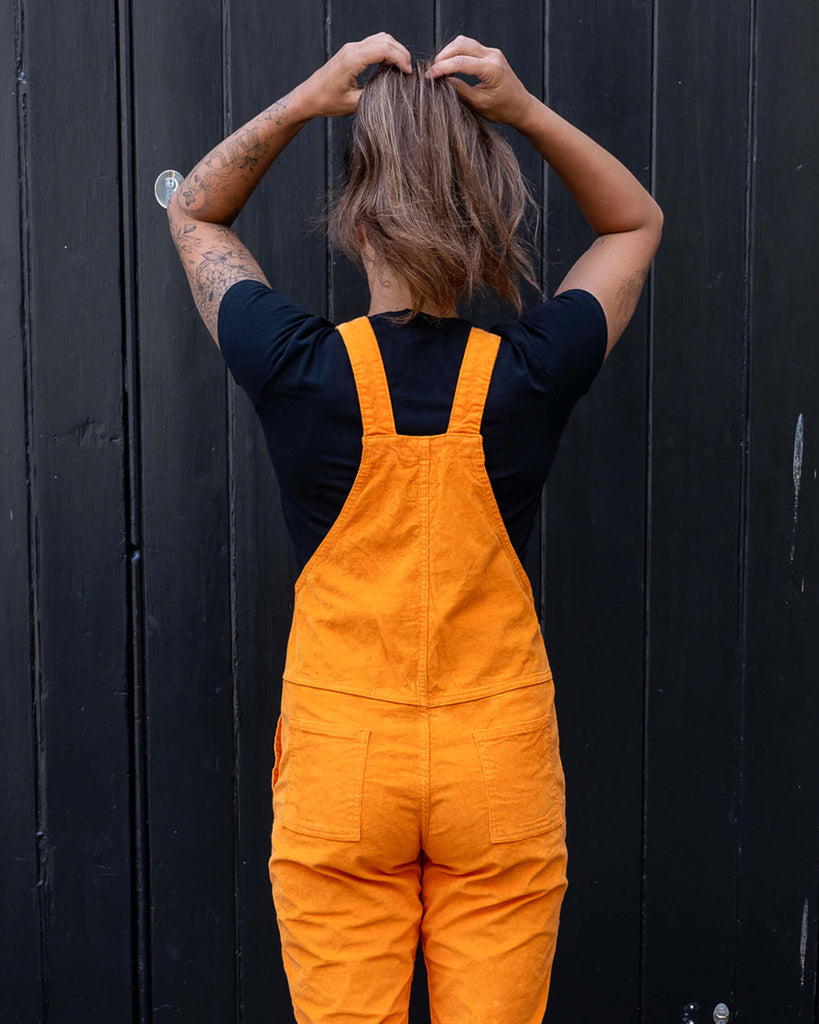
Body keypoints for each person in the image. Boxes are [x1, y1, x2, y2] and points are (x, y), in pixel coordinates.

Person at [168, 31, 663, 1024]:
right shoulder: (529, 371)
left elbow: (194, 207)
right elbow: (634, 223)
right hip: (497, 762)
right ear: (486, 221)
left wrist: (308, 98)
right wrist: (520, 110)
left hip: (343, 762)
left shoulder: (296, 366)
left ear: (355, 223)